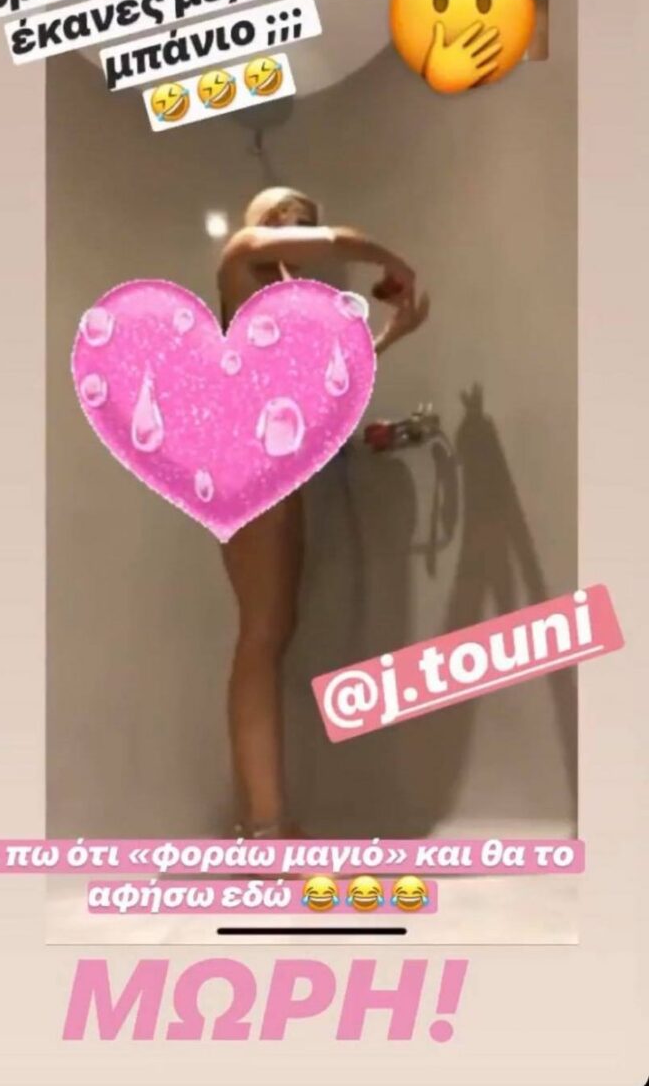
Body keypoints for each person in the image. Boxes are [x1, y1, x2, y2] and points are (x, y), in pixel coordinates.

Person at [217, 186, 430, 836]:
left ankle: (263, 822)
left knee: (271, 635)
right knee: (262, 636)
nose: (303, 227)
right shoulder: (242, 260)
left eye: (307, 219)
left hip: (273, 477)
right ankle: (264, 828)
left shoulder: (285, 309)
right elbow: (341, 242)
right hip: (248, 473)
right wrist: (396, 263)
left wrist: (392, 333)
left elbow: (325, 391)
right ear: (266, 221)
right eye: (291, 216)